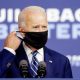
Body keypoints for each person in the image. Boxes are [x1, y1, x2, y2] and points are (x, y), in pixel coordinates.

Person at [0, 6, 73, 78]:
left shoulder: (61, 61)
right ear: (22, 31)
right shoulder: (7, 58)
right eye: (36, 27)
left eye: (44, 27)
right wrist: (8, 51)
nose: (41, 31)